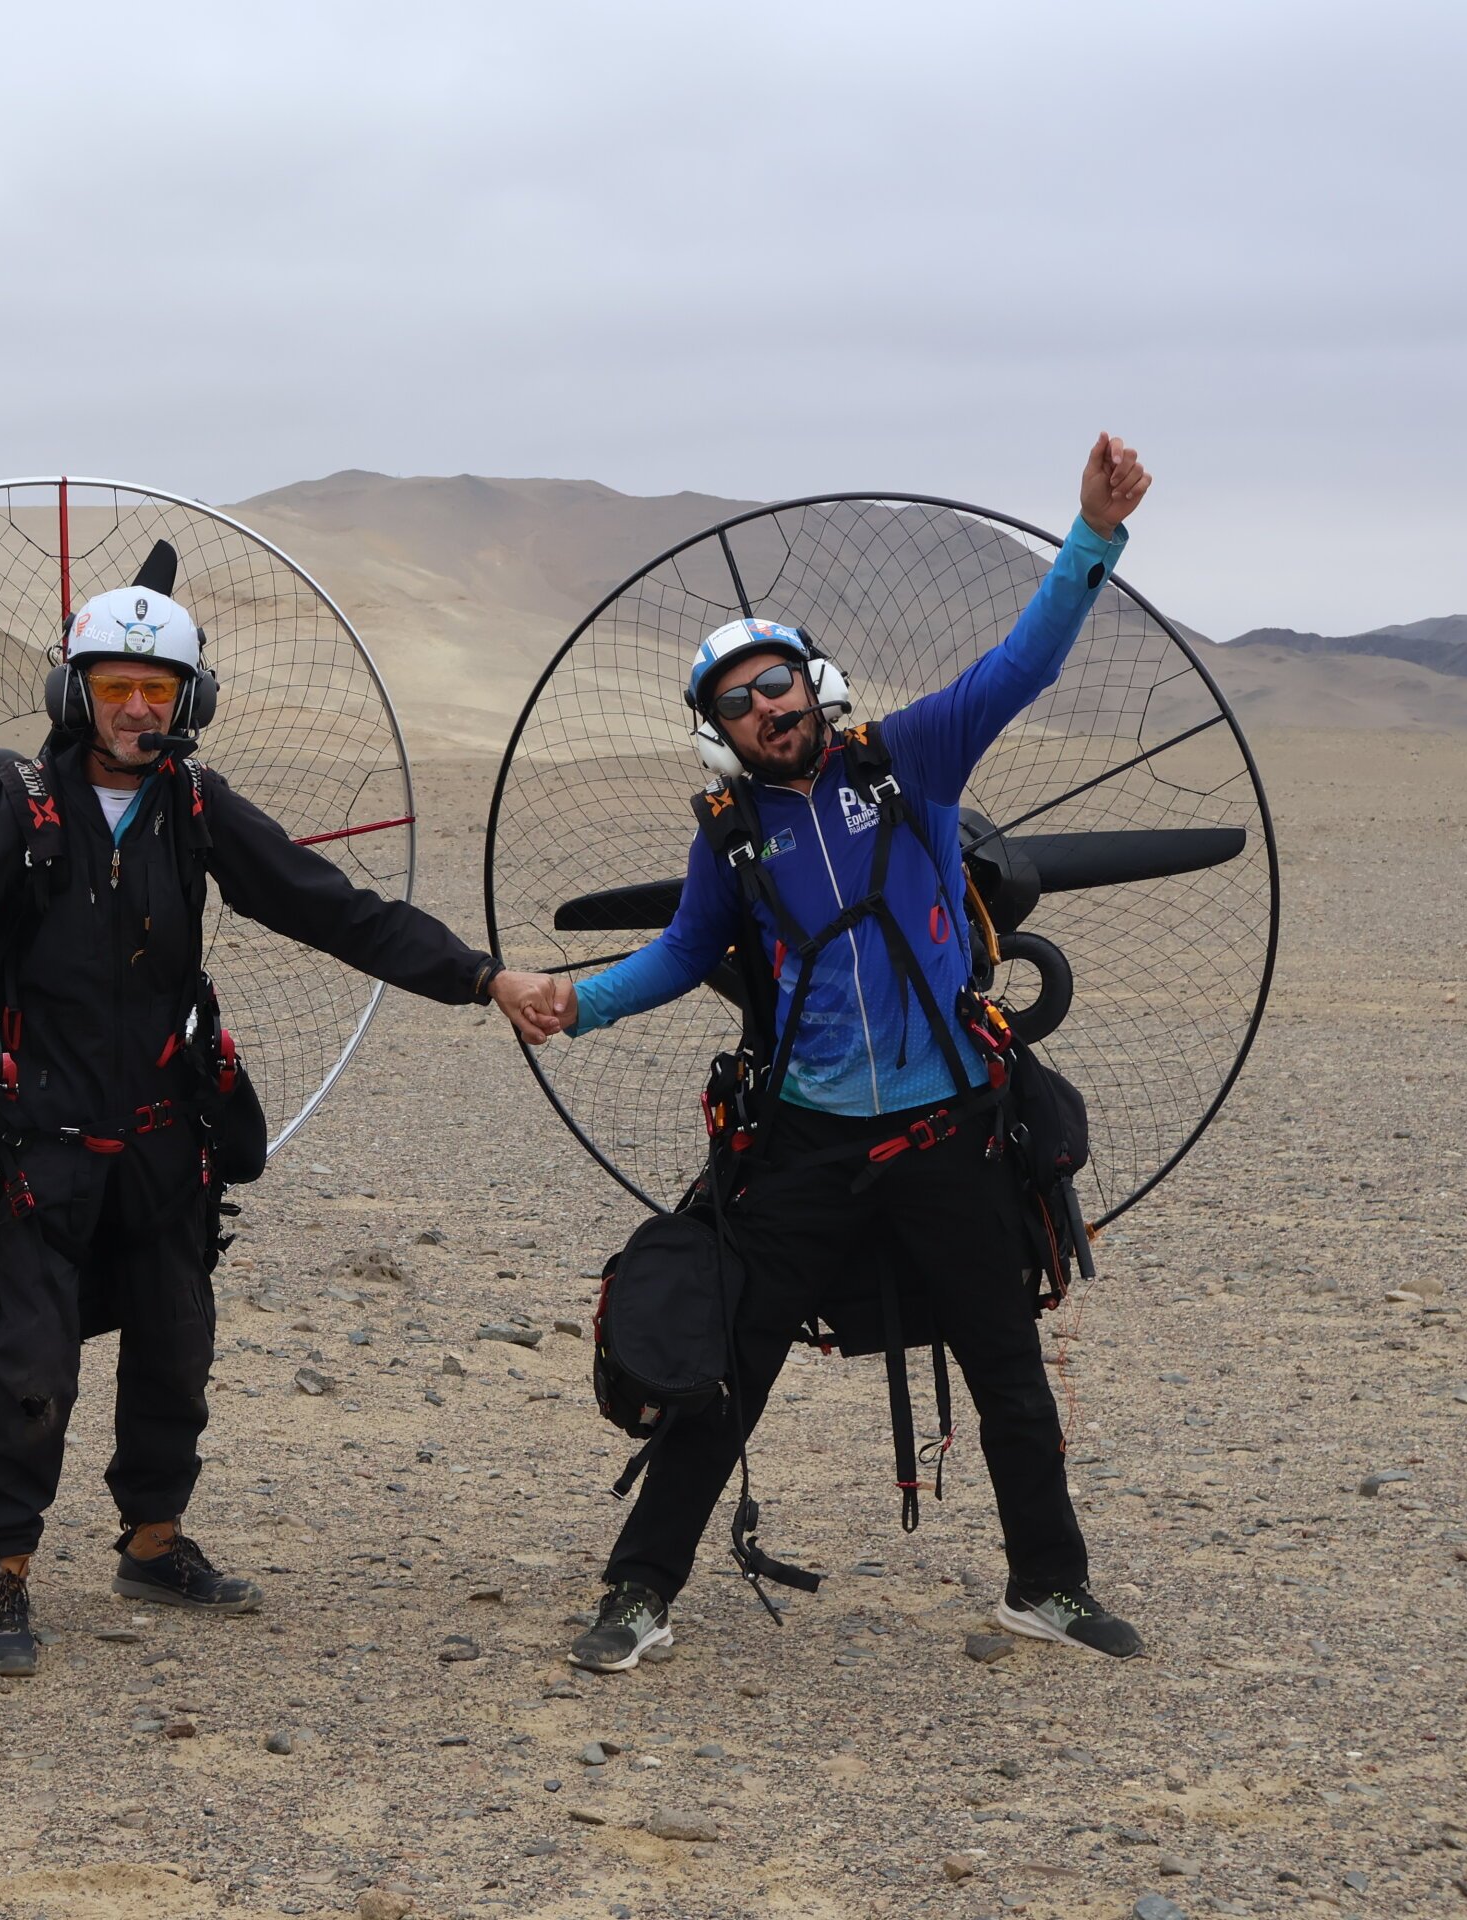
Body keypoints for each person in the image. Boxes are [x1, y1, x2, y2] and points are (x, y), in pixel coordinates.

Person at [0, 570, 549, 1675]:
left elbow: (332, 907)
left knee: (175, 1351)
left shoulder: (197, 810)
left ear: (188, 701)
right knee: (32, 1369)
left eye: (160, 687)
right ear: (74, 691)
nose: (139, 708)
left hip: (162, 1136)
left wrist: (482, 978)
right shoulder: (13, 813)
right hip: (31, 1142)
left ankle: (153, 1543)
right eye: (117, 685)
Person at [507, 434, 1154, 1673]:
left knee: (1006, 1363)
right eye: (740, 700)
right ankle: (639, 1592)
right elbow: (684, 956)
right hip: (802, 1144)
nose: (770, 706)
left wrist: (1092, 536)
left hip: (951, 1129)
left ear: (820, 684)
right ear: (719, 732)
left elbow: (1025, 663)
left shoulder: (912, 759)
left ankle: (1050, 1588)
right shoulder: (727, 842)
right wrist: (573, 1003)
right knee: (726, 1365)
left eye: (781, 682)